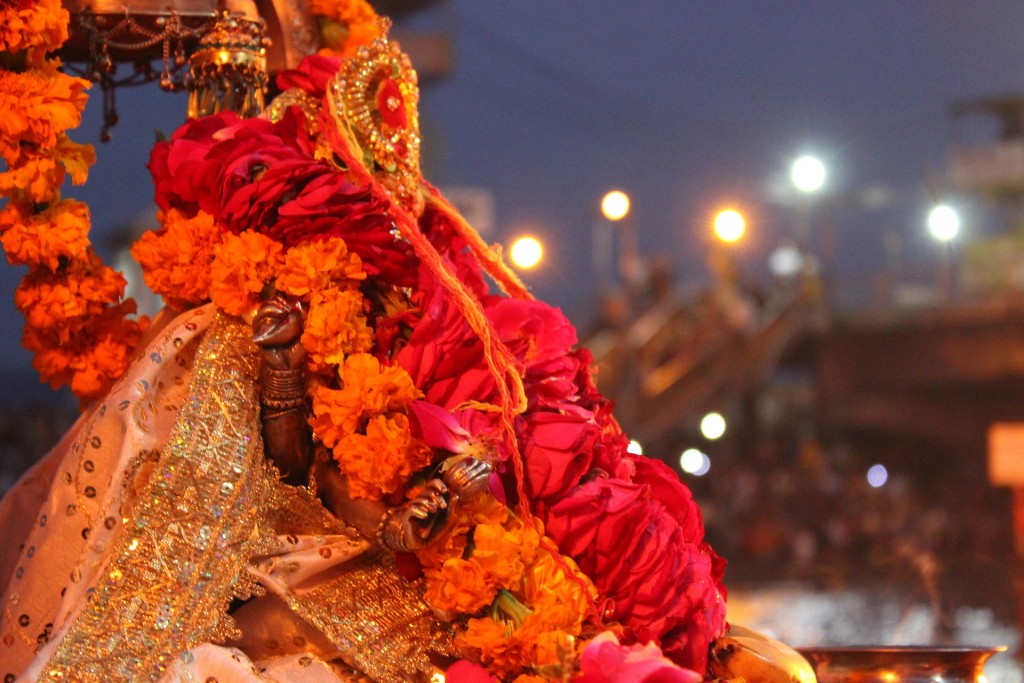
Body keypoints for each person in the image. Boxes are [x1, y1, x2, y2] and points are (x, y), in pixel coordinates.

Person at [0, 4, 728, 681]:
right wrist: (288, 362)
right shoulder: (253, 310)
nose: (395, 215)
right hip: (298, 563)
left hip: (416, 569)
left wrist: (429, 507)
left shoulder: (419, 298)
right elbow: (288, 471)